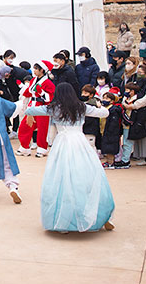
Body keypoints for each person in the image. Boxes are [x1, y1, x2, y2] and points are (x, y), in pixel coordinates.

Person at [25, 82, 115, 232]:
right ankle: (98, 215)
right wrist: (100, 105)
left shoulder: (53, 108)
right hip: (80, 142)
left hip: (62, 143)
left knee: (61, 179)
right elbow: (105, 113)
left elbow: (32, 109)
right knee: (87, 177)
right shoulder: (82, 106)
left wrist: (30, 112)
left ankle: (64, 221)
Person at [17, 61, 55, 157]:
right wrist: (21, 87)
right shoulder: (34, 80)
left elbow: (49, 98)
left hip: (41, 106)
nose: (34, 71)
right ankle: (25, 147)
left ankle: (42, 148)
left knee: (42, 128)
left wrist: (41, 92)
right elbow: (28, 92)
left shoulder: (48, 83)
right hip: (32, 105)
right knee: (25, 126)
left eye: (36, 69)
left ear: (42, 70)